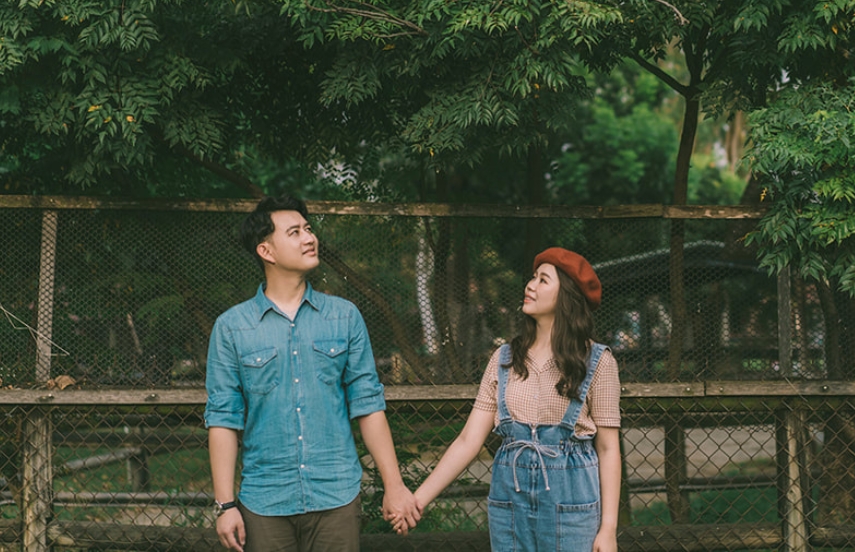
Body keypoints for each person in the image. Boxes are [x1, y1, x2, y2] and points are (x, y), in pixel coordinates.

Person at [204, 194, 420, 552]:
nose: (309, 238)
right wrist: (226, 506)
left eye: (308, 228)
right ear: (266, 251)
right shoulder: (231, 328)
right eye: (294, 232)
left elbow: (367, 404)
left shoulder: (344, 316)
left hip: (336, 494)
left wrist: (394, 485)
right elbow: (223, 419)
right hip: (265, 501)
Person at [411, 247, 621, 552]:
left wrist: (609, 529)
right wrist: (417, 501)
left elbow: (608, 448)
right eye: (532, 278)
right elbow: (469, 440)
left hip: (572, 507)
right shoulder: (504, 359)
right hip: (510, 505)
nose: (530, 285)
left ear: (567, 296)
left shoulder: (598, 362)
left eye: (543, 280)